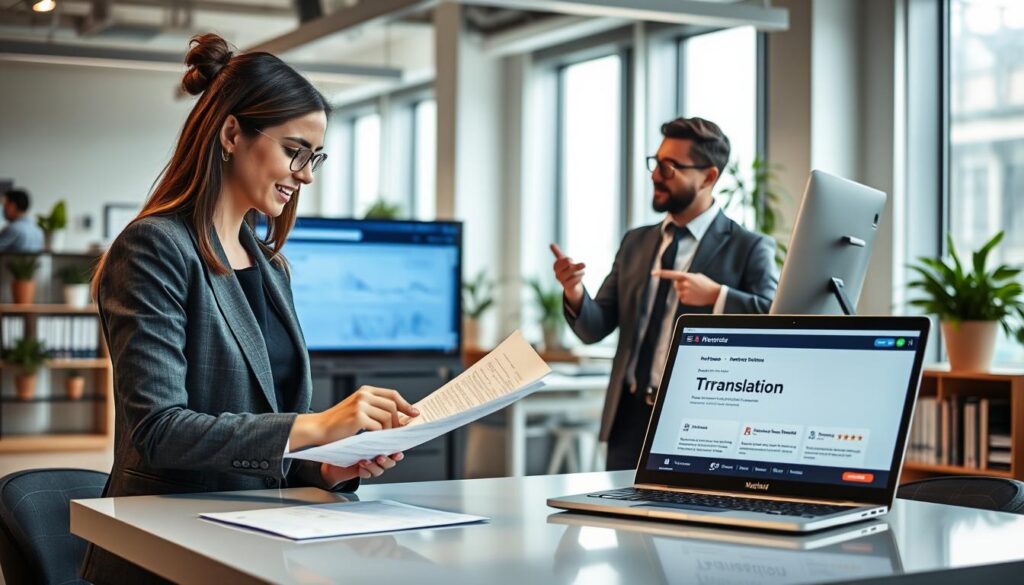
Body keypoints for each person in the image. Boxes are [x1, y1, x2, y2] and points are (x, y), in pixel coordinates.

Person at [81, 34, 418, 583]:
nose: (307, 175)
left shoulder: (271, 267)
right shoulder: (154, 247)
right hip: (167, 550)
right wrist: (317, 425)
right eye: (294, 151)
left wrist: (326, 465)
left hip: (257, 540)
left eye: (316, 157)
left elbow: (264, 427)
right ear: (232, 133)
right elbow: (160, 429)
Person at [550, 117, 778, 471]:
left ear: (708, 177)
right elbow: (596, 327)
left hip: (702, 427)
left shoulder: (749, 247)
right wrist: (575, 291)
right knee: (621, 524)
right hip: (628, 421)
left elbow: (776, 321)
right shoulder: (636, 242)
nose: (656, 175)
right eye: (655, 164)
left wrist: (718, 296)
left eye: (670, 167)